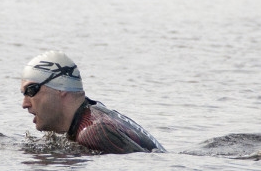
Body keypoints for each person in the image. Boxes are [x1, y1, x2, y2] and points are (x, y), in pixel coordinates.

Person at [20, 50, 165, 154]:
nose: (24, 103)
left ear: (61, 88)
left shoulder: (93, 132)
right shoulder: (94, 113)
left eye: (31, 91)